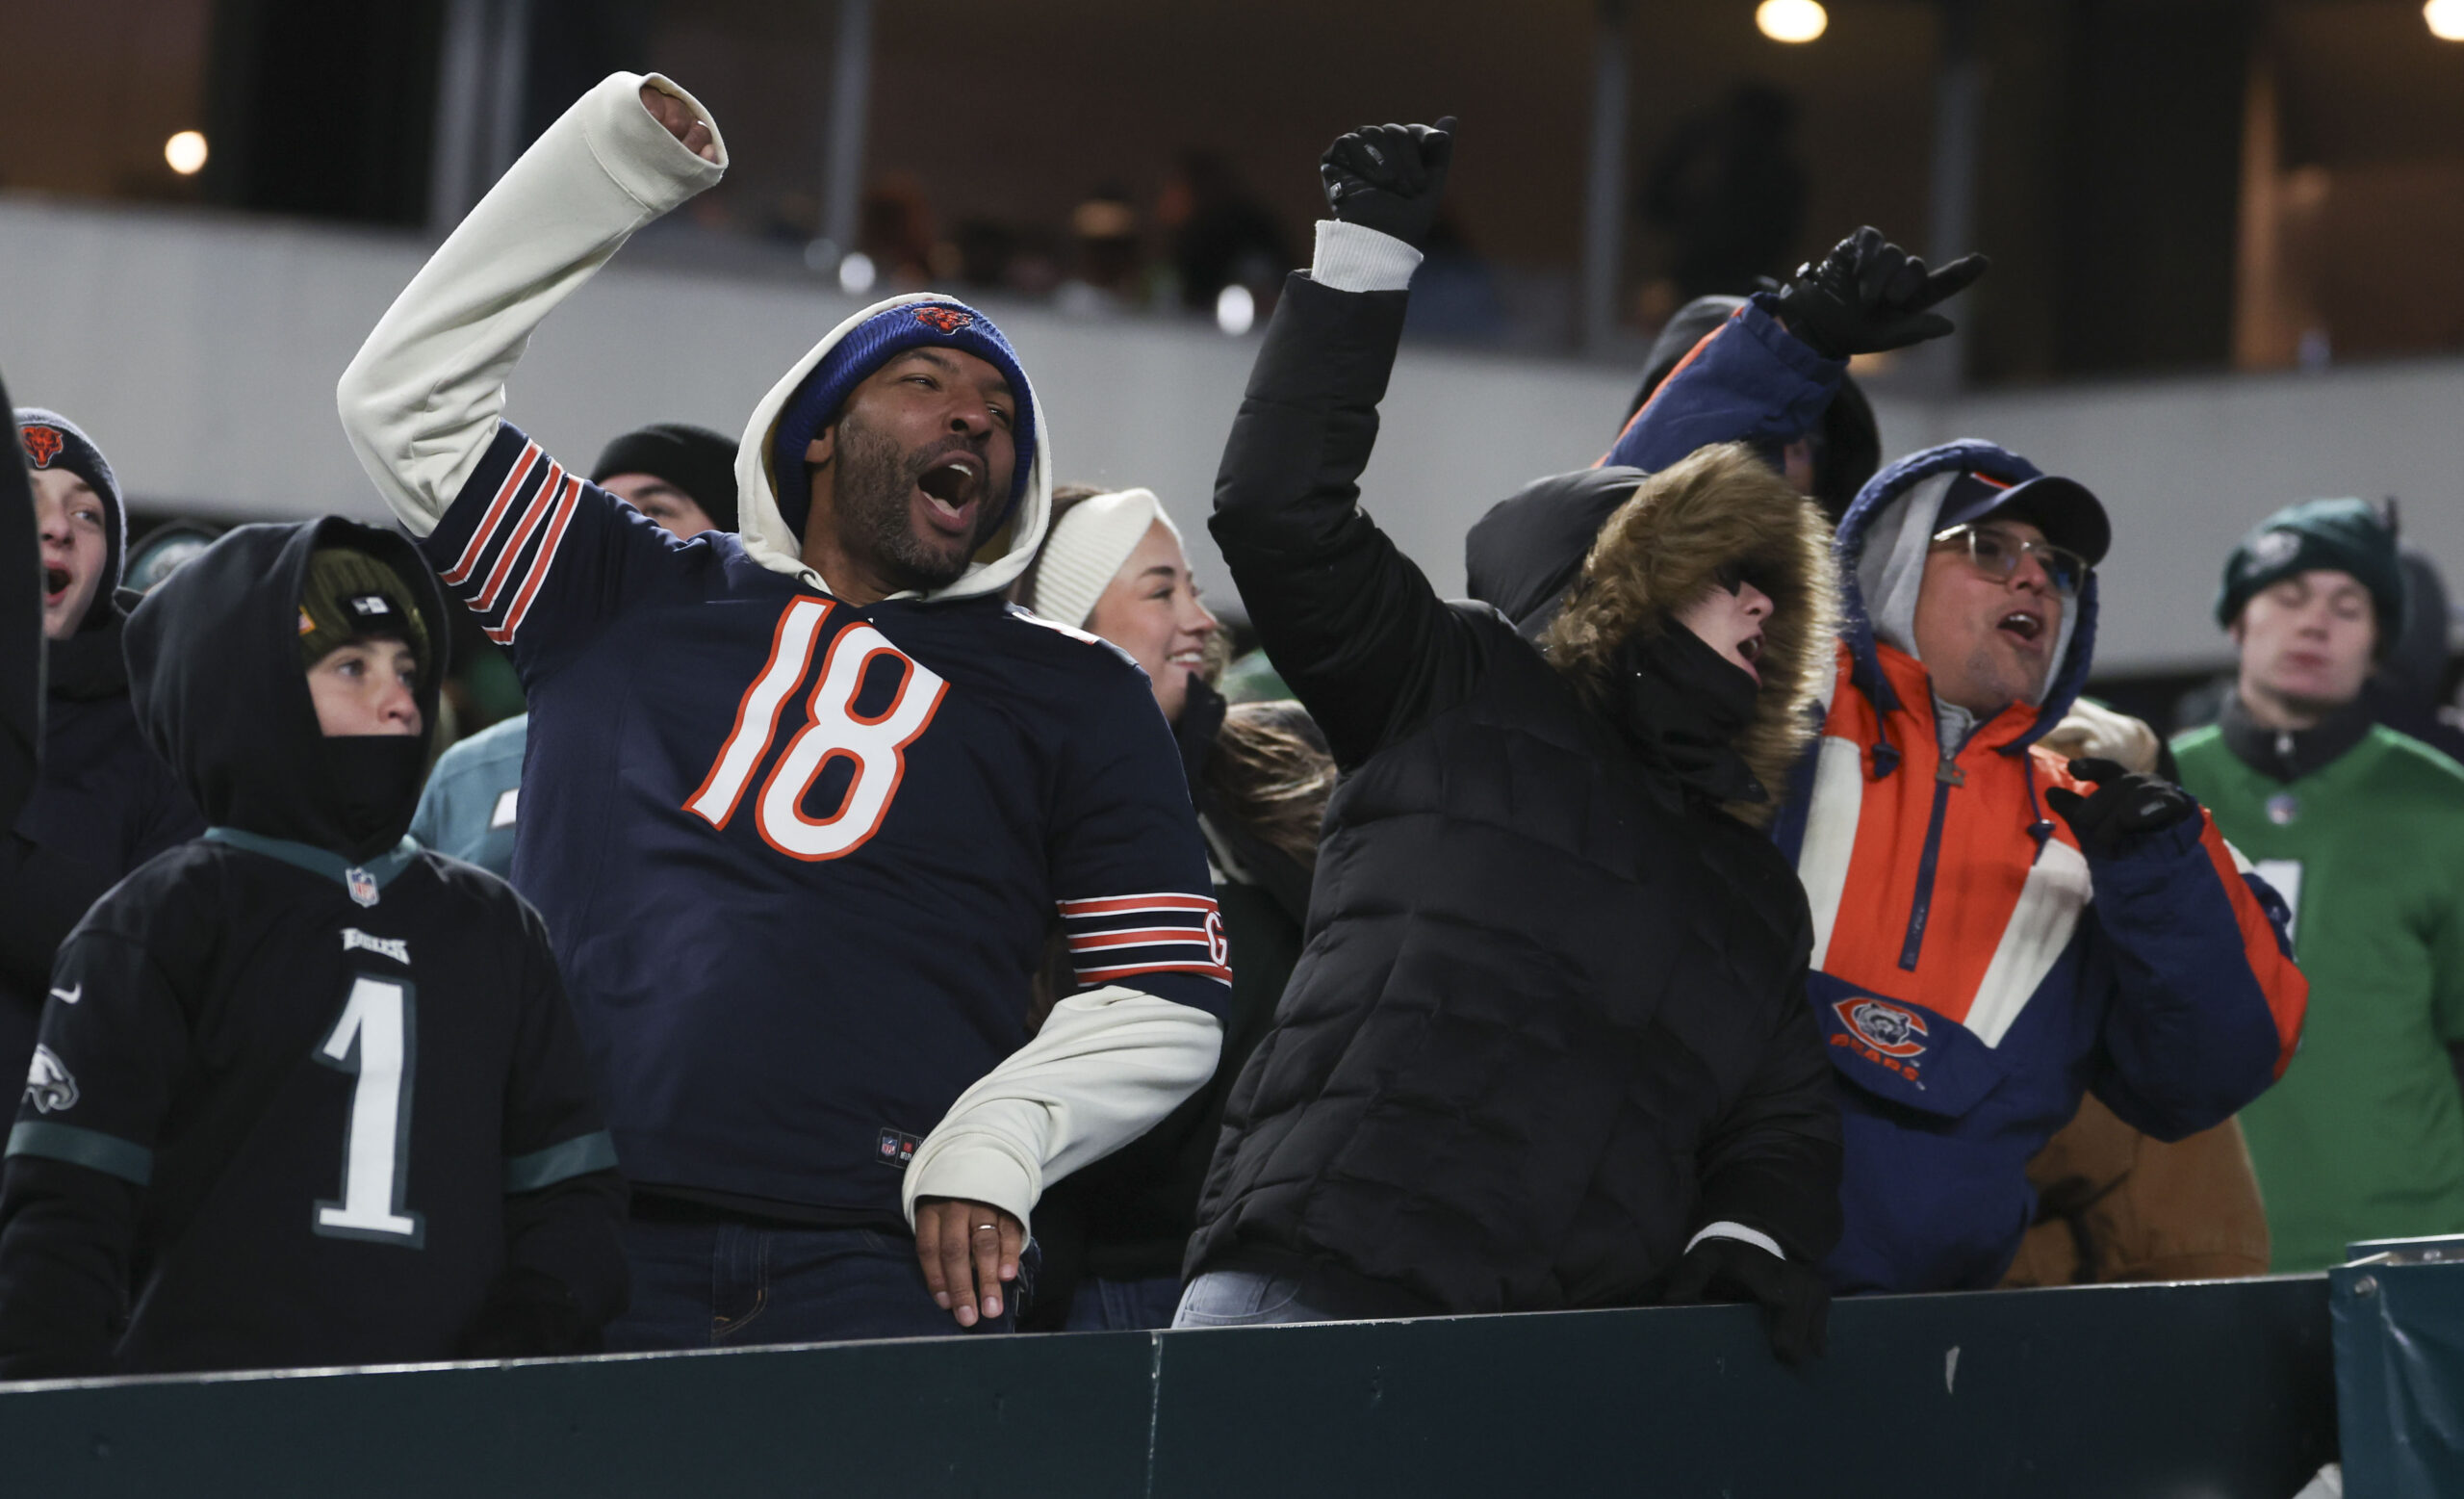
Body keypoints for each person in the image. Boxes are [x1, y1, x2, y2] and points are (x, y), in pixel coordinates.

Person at [337, 72, 1227, 1344]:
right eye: (923, 381)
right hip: (576, 1219)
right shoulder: (620, 587)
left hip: (884, 1255)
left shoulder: (1079, 689)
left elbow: (1163, 994)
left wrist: (999, 1138)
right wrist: (606, 166)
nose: (973, 414)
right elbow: (402, 402)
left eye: (999, 416)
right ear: (817, 431)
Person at [1182, 118, 1845, 1365]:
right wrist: (1363, 263)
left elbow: (1785, 1119)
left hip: (1550, 1369)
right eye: (1730, 575)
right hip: (1316, 1289)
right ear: (1637, 581)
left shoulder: (1750, 888)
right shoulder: (1459, 689)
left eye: (1778, 590)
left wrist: (1752, 1230)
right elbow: (1278, 512)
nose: (1764, 607)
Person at [1581, 227, 2309, 1294]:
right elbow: (1614, 560)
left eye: (2057, 567)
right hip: (1666, 1292)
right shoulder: (1764, 700)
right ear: (1885, 569)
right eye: (1987, 547)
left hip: (1931, 1348)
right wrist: (1789, 346)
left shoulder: (2101, 828)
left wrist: (2163, 878)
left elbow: (2208, 1074)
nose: (2034, 579)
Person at [0, 520, 627, 1376]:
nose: (399, 699)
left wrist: (530, 1328)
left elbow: (573, 1197)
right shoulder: (160, 920)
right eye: (351, 666)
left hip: (445, 1431)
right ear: (247, 690)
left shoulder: (495, 928)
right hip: (200, 1426)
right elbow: (64, 1227)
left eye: (406, 667)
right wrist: (67, 1427)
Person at [1012, 485, 1335, 1331]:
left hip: (1284, 1262)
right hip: (1109, 1288)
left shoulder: (1276, 767)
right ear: (1073, 628)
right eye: (1162, 592)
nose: (1200, 620)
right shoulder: (1011, 807)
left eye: (1192, 588)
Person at [2172, 499, 2464, 1271]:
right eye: (2289, 596)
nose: (2315, 624)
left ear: (2378, 643)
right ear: (2239, 619)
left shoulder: (2446, 803)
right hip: (2193, 1247)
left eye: (2348, 607)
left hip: (2410, 1246)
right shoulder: (2157, 787)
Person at [409, 422, 738, 878]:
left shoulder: (782, 757)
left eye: (656, 510)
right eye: (604, 511)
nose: (622, 532)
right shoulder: (471, 773)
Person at [0, 411, 202, 1089]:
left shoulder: (162, 732)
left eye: (85, 514)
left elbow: (154, 969)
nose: (56, 527)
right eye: (22, 497)